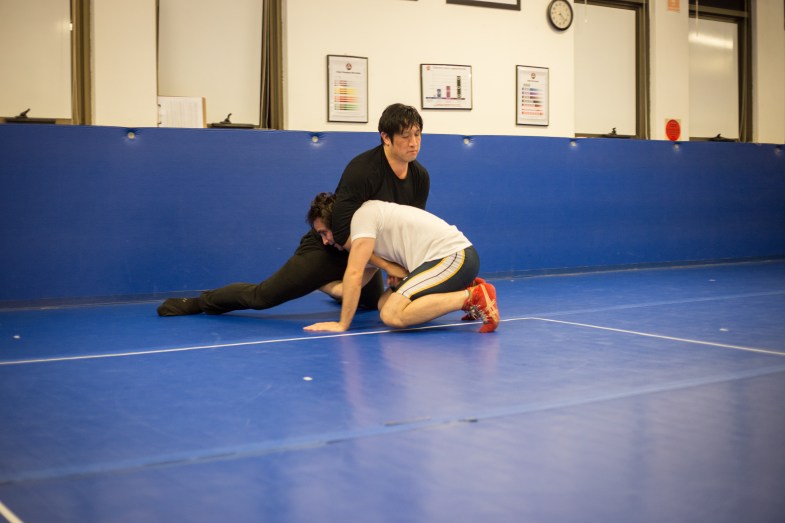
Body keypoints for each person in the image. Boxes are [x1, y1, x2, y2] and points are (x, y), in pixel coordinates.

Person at [157, 103, 430, 317]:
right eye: (405, 136)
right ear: (385, 138)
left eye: (417, 134)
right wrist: (387, 265)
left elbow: (408, 228)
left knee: (370, 303)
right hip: (330, 246)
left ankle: (329, 286)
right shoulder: (363, 170)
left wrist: (398, 265)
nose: (413, 143)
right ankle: (201, 302)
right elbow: (341, 230)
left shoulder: (420, 177)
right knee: (262, 297)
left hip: (364, 252)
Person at [302, 193, 500, 333]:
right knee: (383, 304)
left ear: (337, 225)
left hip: (454, 256)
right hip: (444, 262)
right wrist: (311, 281)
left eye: (324, 233)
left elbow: (353, 276)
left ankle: (473, 297)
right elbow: (347, 289)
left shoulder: (363, 219)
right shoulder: (364, 240)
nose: (325, 241)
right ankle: (464, 286)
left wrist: (342, 324)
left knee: (392, 314)